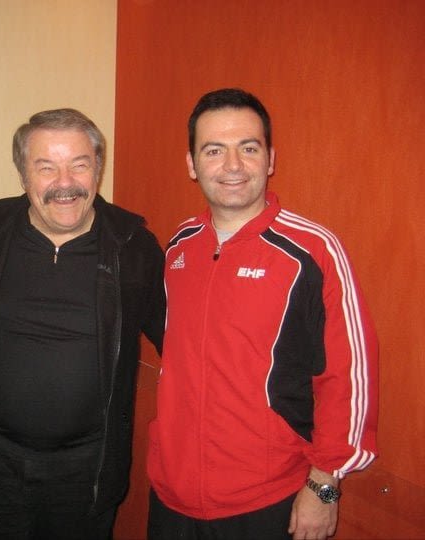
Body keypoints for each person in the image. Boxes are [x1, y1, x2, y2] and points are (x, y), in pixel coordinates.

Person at [146, 88, 379, 540]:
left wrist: (325, 485)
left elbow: (350, 377)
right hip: (172, 494)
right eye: (214, 150)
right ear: (192, 164)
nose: (233, 165)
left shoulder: (313, 252)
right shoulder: (179, 246)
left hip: (267, 500)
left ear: (270, 159)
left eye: (248, 148)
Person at [0, 108, 165, 539]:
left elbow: (183, 341)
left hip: (88, 474)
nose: (65, 183)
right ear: (23, 175)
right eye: (46, 167)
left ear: (98, 169)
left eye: (79, 165)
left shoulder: (133, 247)